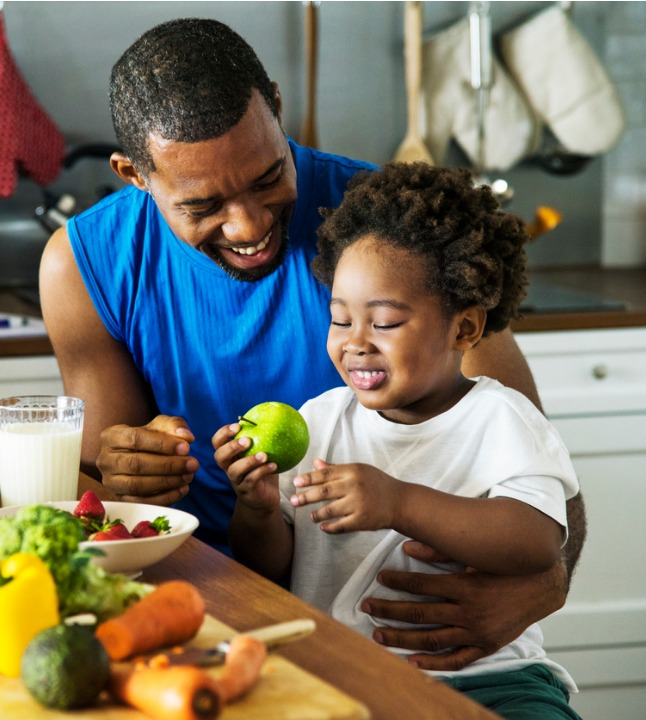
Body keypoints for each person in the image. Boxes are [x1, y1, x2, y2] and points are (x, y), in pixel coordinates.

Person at [39, 17, 587, 671]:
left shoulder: (388, 233)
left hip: (400, 635)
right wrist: (122, 468)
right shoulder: (84, 265)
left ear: (275, 103)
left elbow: (541, 473)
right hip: (184, 607)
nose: (248, 225)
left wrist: (542, 588)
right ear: (135, 174)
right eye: (203, 205)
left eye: (268, 177)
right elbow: (107, 503)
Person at [213, 161, 581, 719]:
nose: (355, 344)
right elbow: (272, 570)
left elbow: (536, 543)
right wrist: (259, 510)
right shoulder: (321, 420)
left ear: (464, 329)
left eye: (383, 323)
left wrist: (399, 501)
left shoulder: (502, 420)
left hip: (491, 678)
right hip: (342, 673)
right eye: (341, 320)